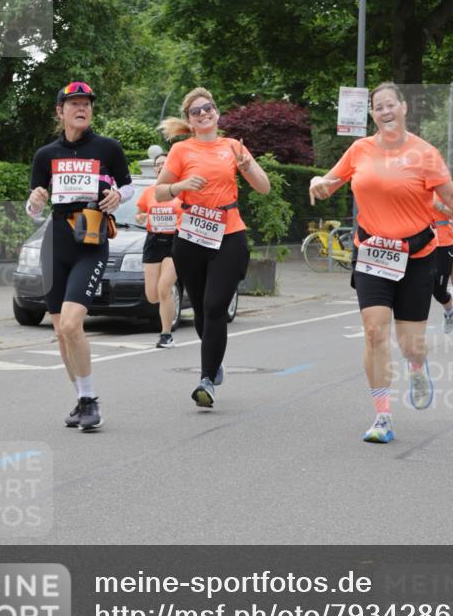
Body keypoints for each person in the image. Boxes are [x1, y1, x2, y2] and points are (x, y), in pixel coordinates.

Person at [309, 82, 453, 444]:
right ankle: (382, 416)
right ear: (372, 114)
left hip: (415, 256)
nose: (384, 111)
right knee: (374, 331)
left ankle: (417, 367)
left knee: (410, 342)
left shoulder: (425, 154)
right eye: (377, 107)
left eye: (390, 105)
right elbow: (331, 182)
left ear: (403, 109)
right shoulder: (359, 149)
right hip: (371, 252)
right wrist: (318, 182)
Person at [26, 82, 133, 430]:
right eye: (73, 103)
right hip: (56, 242)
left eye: (86, 103)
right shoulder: (46, 155)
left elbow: (128, 186)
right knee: (60, 332)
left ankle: (90, 402)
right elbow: (34, 206)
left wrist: (118, 195)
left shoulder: (108, 148)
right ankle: (81, 399)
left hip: (90, 239)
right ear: (60, 111)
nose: (81, 108)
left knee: (73, 324)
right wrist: (35, 203)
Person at [155, 88, 270, 408]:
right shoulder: (181, 150)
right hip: (191, 236)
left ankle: (206, 380)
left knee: (216, 304)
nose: (204, 113)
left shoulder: (233, 146)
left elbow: (264, 187)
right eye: (196, 111)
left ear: (217, 113)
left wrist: (246, 165)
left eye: (209, 108)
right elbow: (160, 193)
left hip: (229, 234)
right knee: (204, 309)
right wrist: (179, 186)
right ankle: (214, 361)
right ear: (189, 122)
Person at [136, 152, 182, 347]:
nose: (161, 166)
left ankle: (166, 335)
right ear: (155, 169)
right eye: (158, 164)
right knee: (152, 295)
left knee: (164, 288)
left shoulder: (180, 190)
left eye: (165, 163)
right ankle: (167, 300)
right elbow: (140, 213)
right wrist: (140, 217)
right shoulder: (149, 191)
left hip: (175, 240)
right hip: (153, 240)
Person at [430, 195, 453, 332]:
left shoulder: (445, 191)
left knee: (439, 292)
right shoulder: (414, 186)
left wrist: (440, 206)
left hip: (443, 244)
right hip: (420, 243)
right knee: (417, 288)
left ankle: (449, 312)